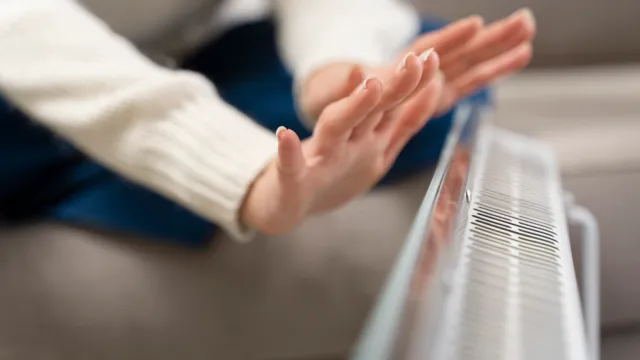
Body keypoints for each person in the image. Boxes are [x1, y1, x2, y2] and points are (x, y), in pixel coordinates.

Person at [0, 0, 535, 245]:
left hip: (181, 56)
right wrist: (246, 173)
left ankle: (126, 160)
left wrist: (336, 69)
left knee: (431, 75)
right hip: (18, 67)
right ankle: (161, 159)